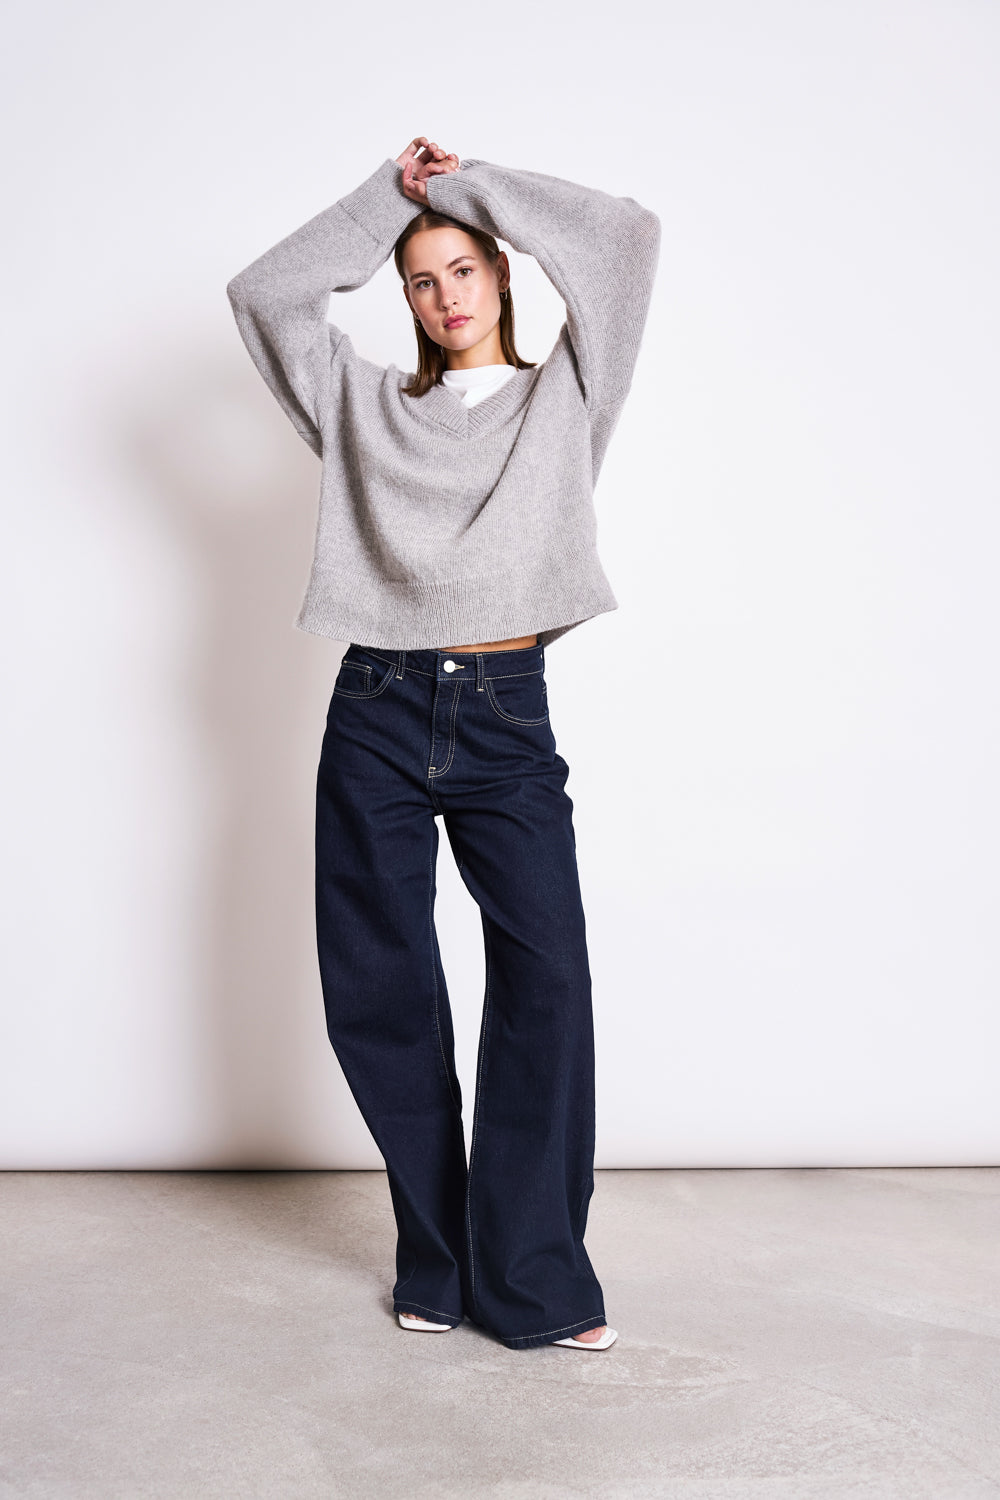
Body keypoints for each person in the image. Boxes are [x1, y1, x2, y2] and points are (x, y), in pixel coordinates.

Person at [226, 136, 660, 1351]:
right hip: (373, 707)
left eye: (466, 268)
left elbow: (626, 240)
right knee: (382, 991)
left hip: (506, 713)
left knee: (546, 980)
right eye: (423, 278)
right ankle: (437, 1254)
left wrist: (467, 188)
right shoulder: (360, 404)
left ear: (504, 274)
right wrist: (385, 201)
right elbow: (262, 295)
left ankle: (533, 1275)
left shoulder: (566, 394)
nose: (447, 292)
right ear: (402, 297)